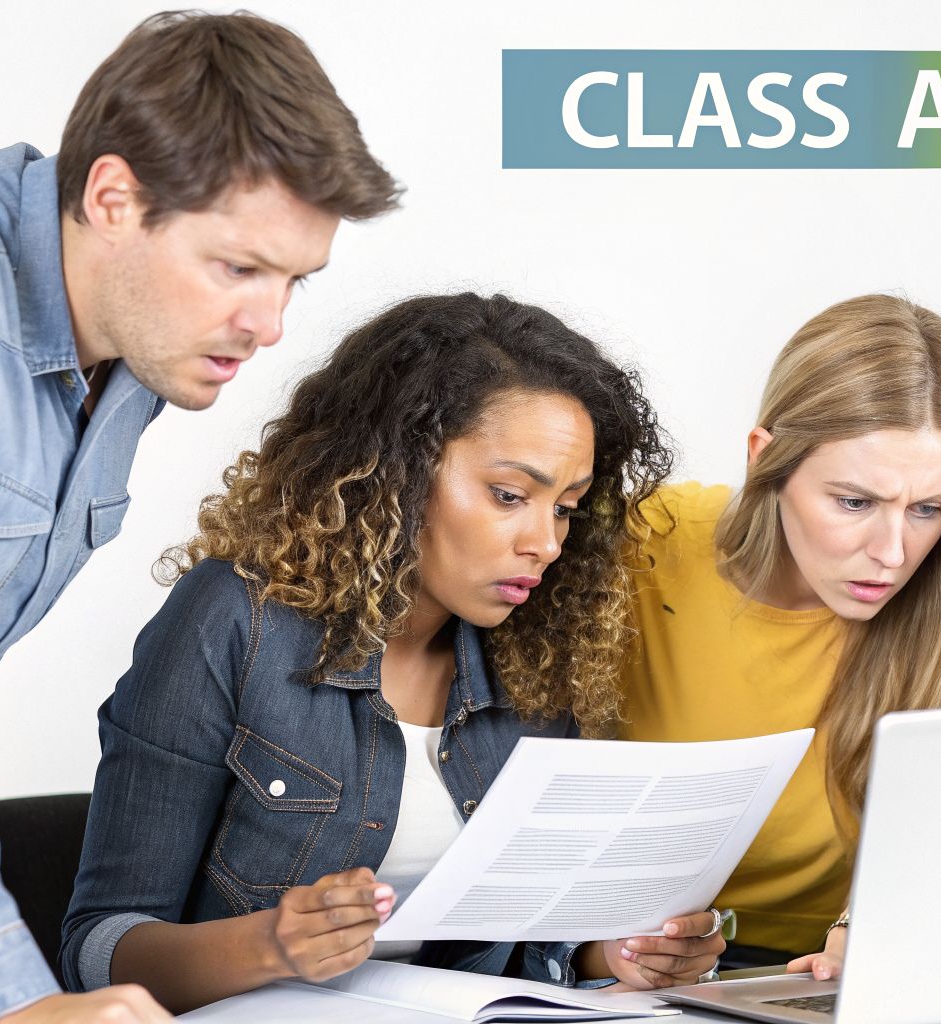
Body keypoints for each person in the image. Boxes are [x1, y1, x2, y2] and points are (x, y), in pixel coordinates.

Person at [0, 12, 397, 1022]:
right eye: (239, 268)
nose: (270, 324)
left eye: (294, 280)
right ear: (113, 197)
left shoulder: (129, 349)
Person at [60, 293, 725, 1013]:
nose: (547, 542)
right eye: (508, 495)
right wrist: (270, 946)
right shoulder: (233, 620)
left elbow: (526, 943)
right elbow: (97, 949)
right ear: (396, 470)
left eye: (564, 506)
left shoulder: (541, 654)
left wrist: (619, 952)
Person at [618, 294, 941, 977]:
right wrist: (604, 949)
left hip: (819, 976)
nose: (892, 551)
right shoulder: (642, 547)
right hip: (620, 971)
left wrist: (885, 921)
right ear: (768, 459)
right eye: (855, 502)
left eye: (927, 508)